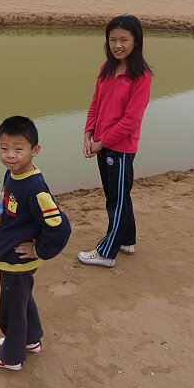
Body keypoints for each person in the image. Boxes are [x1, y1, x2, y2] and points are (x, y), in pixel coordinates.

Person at [0, 116, 71, 371]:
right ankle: (31, 340)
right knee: (22, 300)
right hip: (9, 251)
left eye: (18, 149)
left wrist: (39, 249)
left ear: (35, 150)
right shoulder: (13, 175)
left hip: (17, 260)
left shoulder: (35, 187)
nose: (10, 155)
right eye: (4, 148)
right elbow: (11, 208)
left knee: (11, 309)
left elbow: (59, 226)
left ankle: (11, 356)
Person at [78, 15, 153, 268]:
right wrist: (89, 133)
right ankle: (127, 240)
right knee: (118, 195)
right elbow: (96, 102)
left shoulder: (141, 77)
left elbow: (131, 121)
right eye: (113, 39)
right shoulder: (106, 68)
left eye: (124, 39)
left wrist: (102, 142)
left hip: (119, 149)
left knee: (116, 200)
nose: (117, 45)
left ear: (136, 41)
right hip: (102, 144)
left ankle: (106, 253)